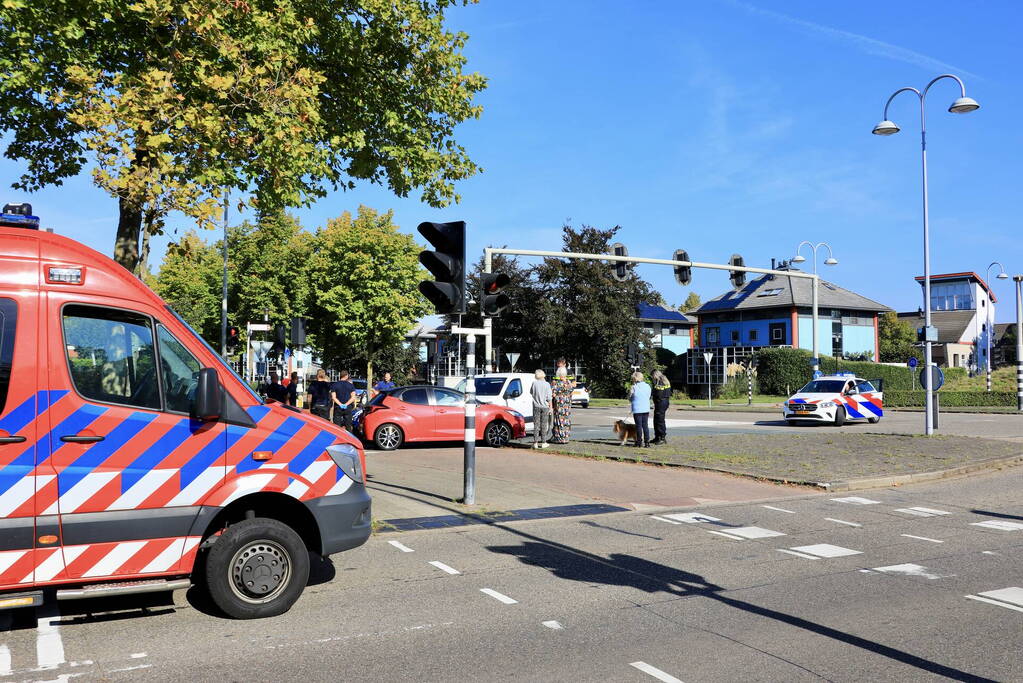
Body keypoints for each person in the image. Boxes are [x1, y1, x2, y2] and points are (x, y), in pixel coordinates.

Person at [550, 359, 575, 444]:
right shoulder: (569, 383)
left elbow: (552, 394)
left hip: (559, 406)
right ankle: (566, 437)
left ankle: (559, 438)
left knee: (559, 421)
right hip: (567, 406)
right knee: (566, 420)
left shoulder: (557, 383)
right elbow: (571, 391)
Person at [530, 369, 553, 449]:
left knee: (536, 425)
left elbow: (531, 393)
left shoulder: (534, 383)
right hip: (545, 407)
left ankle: (535, 443)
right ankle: (543, 442)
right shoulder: (547, 384)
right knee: (544, 425)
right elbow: (549, 397)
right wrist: (551, 407)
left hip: (536, 406)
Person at [628, 371, 652, 447]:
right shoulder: (648, 386)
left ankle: (639, 442)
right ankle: (647, 442)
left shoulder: (633, 387)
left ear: (635, 379)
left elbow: (630, 397)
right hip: (646, 408)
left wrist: (632, 399)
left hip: (637, 409)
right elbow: (648, 396)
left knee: (638, 426)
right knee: (645, 425)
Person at [650, 369, 671, 445]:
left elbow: (658, 394)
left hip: (661, 402)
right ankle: (657, 437)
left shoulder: (660, 382)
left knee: (659, 421)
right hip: (663, 402)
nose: (652, 377)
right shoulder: (665, 380)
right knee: (657, 420)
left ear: (655, 375)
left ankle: (662, 437)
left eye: (652, 376)